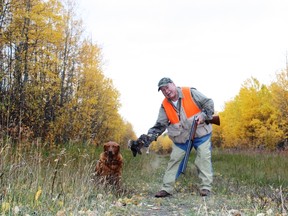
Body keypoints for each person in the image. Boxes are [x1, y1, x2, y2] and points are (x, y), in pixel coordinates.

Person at [131, 77, 214, 198]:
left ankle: (206, 188)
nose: (166, 91)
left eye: (167, 87)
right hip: (181, 138)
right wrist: (147, 138)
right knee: (174, 160)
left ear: (173, 84)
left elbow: (208, 103)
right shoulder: (165, 104)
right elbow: (160, 125)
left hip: (201, 133)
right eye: (163, 90)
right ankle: (166, 189)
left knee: (203, 159)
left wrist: (203, 115)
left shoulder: (190, 92)